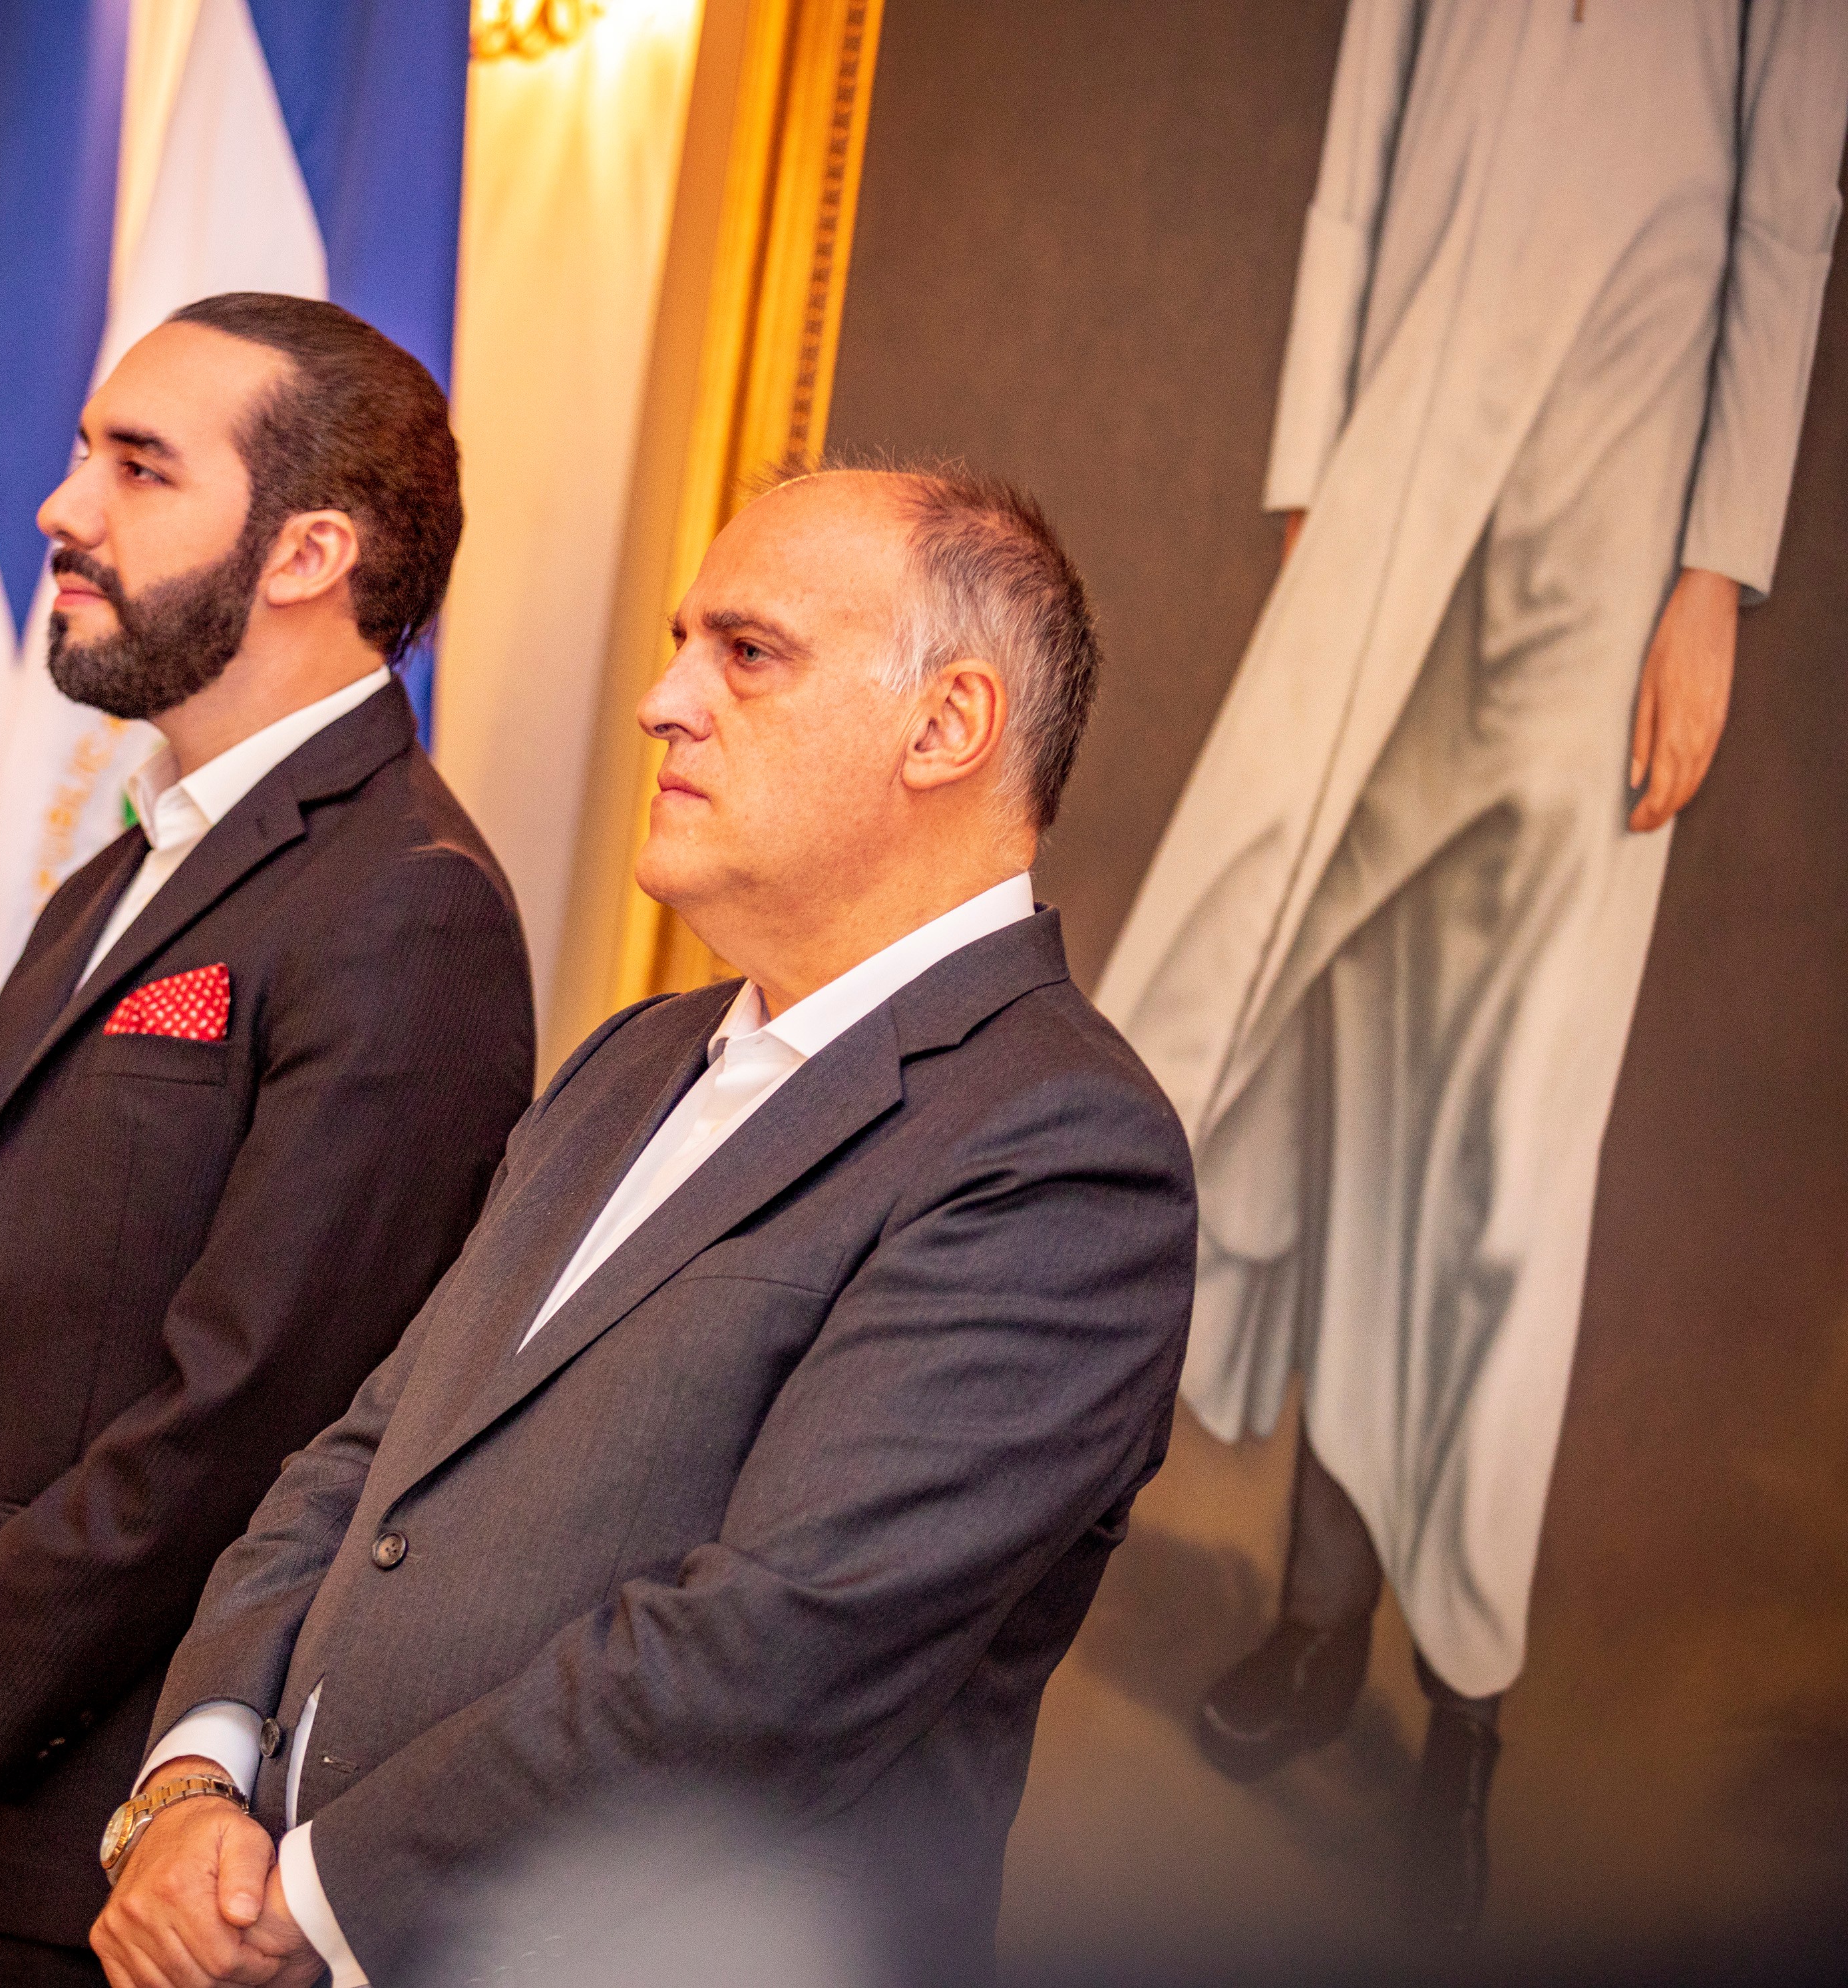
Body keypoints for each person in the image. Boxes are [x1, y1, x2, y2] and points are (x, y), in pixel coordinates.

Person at [91, 464, 1198, 1988]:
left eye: (747, 653)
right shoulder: (632, 1059)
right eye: (683, 645)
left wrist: (308, 1900)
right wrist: (193, 1781)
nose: (661, 702)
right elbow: (370, 1453)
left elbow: (771, 1659)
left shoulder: (1057, 1149)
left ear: (945, 726)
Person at [1094, 1, 1847, 1931]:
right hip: (1397, 508)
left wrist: (1713, 578)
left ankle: (1469, 1708)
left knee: (1501, 1165)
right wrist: (1309, 487)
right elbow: (1358, 167)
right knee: (1337, 1086)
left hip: (1608, 554)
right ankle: (1316, 1620)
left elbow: (1783, 215)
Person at [0, 293, 536, 1988]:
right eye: (84, 452)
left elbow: (249, 1412)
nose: (61, 505)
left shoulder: (409, 907)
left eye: (138, 467)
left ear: (308, 551)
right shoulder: (117, 878)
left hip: (84, 1864)